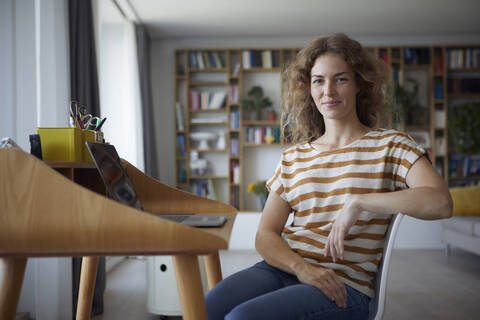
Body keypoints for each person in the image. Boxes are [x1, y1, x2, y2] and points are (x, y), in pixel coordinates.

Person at [205, 33, 453, 320]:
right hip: (283, 269)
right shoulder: (293, 157)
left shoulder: (392, 145)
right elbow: (265, 235)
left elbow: (441, 202)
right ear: (308, 89)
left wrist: (360, 202)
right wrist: (301, 268)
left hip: (342, 286)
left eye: (341, 79)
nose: (329, 91)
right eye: (318, 80)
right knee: (204, 309)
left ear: (360, 84)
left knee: (242, 318)